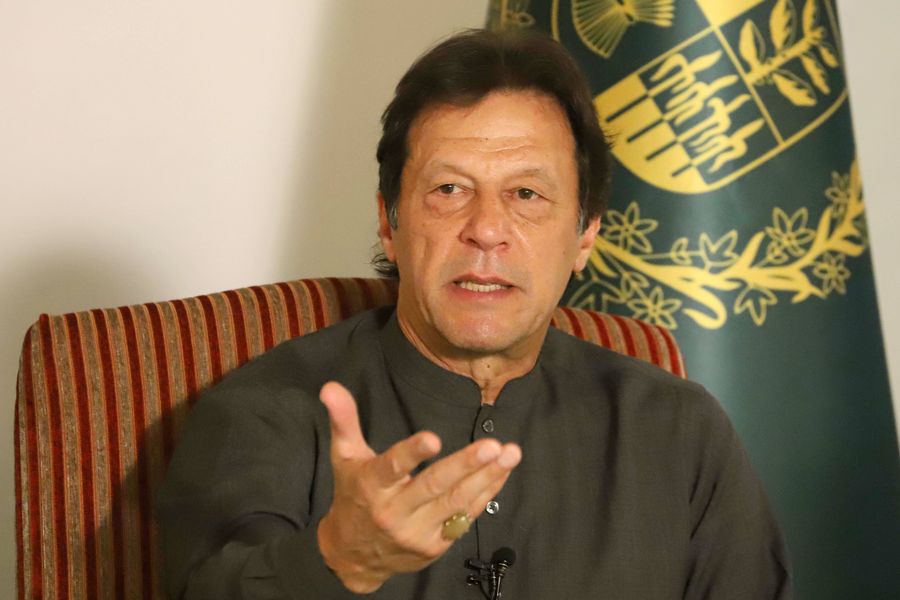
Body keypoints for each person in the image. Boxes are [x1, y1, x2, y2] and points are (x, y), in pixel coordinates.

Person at [156, 29, 790, 599]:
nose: (487, 229)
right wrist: (336, 562)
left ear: (586, 233)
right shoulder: (268, 411)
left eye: (526, 193)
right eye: (449, 189)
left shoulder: (679, 429)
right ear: (389, 222)